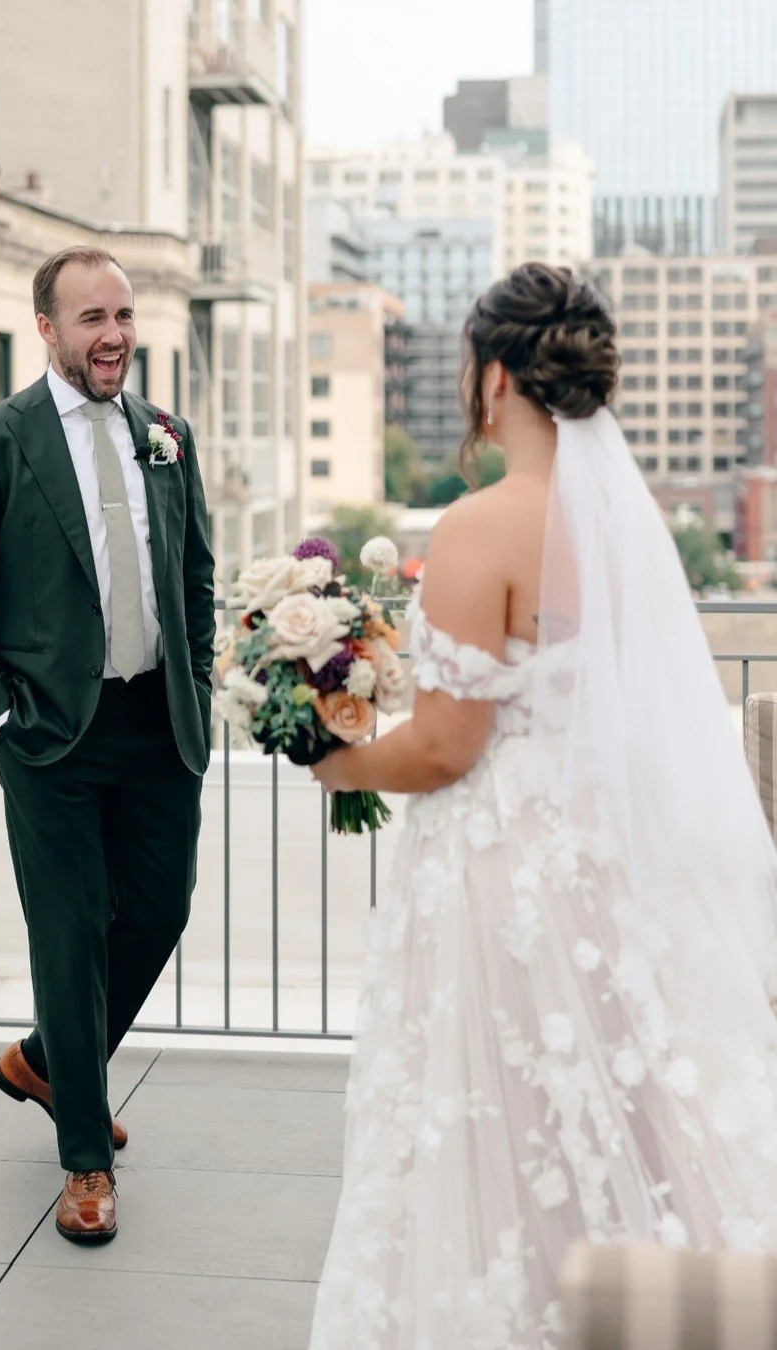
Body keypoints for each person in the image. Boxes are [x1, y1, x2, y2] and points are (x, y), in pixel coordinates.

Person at [308, 262, 777, 1347]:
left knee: (491, 1127)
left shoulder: (482, 526)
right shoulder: (625, 527)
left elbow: (442, 745)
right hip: (610, 863)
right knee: (621, 1117)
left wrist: (339, 764)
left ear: (494, 380)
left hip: (500, 875)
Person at [0, 246, 215, 1244]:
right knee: (71, 932)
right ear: (46, 328)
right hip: (48, 733)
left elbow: (196, 582)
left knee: (161, 910)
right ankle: (84, 1160)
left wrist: (201, 686)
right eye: (92, 318)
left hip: (157, 725)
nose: (115, 335)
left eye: (124, 316)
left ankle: (49, 1062)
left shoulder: (167, 435)